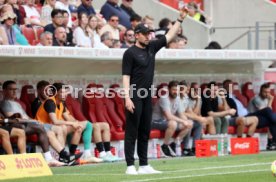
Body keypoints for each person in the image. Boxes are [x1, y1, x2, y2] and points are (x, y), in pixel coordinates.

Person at [122, 7, 189, 175]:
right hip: (135, 95)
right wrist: (127, 98)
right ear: (137, 35)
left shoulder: (152, 47)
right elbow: (125, 77)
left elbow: (169, 36)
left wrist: (180, 19)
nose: (148, 36)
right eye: (145, 33)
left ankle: (144, 164)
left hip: (147, 96)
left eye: (149, 33)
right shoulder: (129, 53)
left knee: (145, 130)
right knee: (132, 130)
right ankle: (130, 165)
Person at [152, 80, 193, 157]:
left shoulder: (177, 98)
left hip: (166, 122)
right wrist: (183, 121)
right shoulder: (164, 98)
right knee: (173, 123)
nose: (175, 92)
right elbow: (169, 116)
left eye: (177, 90)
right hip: (155, 122)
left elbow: (181, 114)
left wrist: (186, 122)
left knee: (189, 124)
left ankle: (174, 144)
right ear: (169, 89)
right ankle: (165, 145)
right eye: (173, 90)